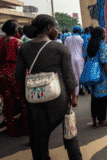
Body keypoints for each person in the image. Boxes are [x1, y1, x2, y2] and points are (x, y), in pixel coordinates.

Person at [15, 14, 82, 160]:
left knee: (39, 135)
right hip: (59, 96)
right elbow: (69, 76)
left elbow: (19, 77)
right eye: (56, 28)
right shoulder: (60, 48)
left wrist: (23, 102)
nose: (57, 32)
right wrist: (73, 96)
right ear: (48, 28)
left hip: (34, 97)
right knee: (69, 130)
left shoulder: (24, 48)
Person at [0, 20, 28, 137]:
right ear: (15, 30)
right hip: (17, 75)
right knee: (22, 101)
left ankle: (10, 128)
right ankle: (23, 128)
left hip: (2, 75)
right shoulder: (18, 42)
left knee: (7, 102)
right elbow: (24, 61)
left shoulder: (0, 41)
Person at [86, 26, 107, 129]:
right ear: (101, 34)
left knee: (94, 98)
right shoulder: (103, 46)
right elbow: (104, 62)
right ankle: (102, 120)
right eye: (104, 32)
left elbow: (86, 58)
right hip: (102, 76)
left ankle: (94, 121)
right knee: (103, 98)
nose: (105, 34)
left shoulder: (88, 44)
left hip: (92, 74)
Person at [64, 26, 85, 96]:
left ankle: (74, 91)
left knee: (73, 74)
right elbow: (83, 49)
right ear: (79, 31)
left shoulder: (67, 39)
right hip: (79, 59)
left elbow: (65, 49)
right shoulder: (81, 39)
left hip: (70, 58)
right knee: (80, 74)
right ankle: (81, 90)